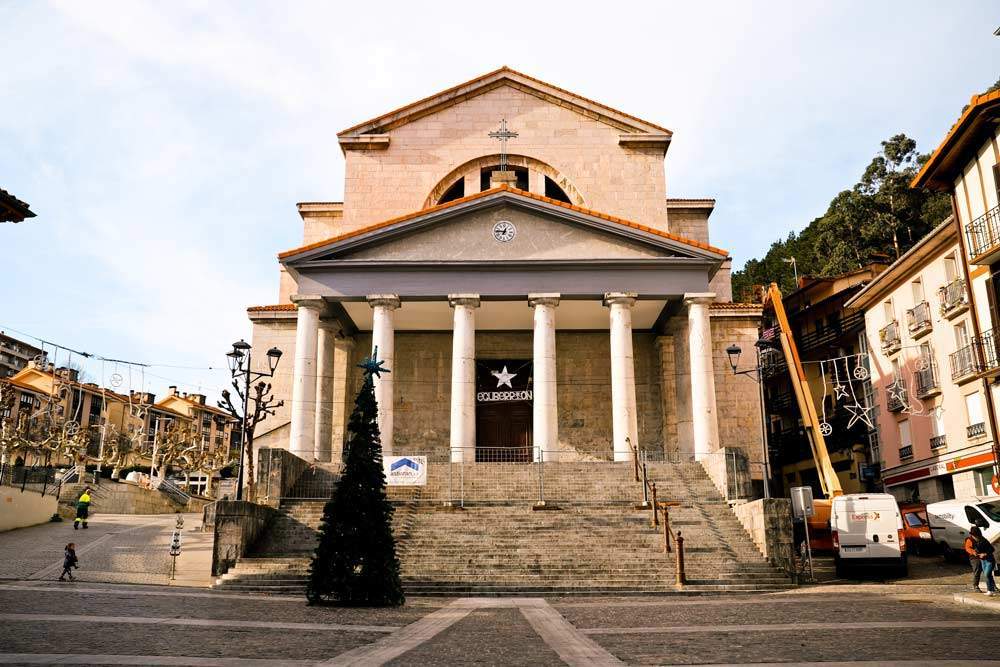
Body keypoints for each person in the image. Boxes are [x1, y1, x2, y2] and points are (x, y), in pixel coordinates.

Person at [974, 528, 996, 597]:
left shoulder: (984, 541)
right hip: (983, 560)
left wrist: (985, 554)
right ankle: (991, 590)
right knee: (988, 575)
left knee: (987, 575)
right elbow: (976, 549)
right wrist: (975, 552)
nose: (972, 537)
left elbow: (992, 549)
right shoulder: (975, 541)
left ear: (976, 535)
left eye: (973, 535)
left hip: (989, 560)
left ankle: (990, 590)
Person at [965, 527, 984, 592]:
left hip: (983, 555)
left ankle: (992, 586)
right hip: (974, 557)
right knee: (977, 569)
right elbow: (967, 548)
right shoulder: (969, 540)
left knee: (988, 571)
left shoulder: (982, 538)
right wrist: (973, 552)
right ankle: (975, 585)